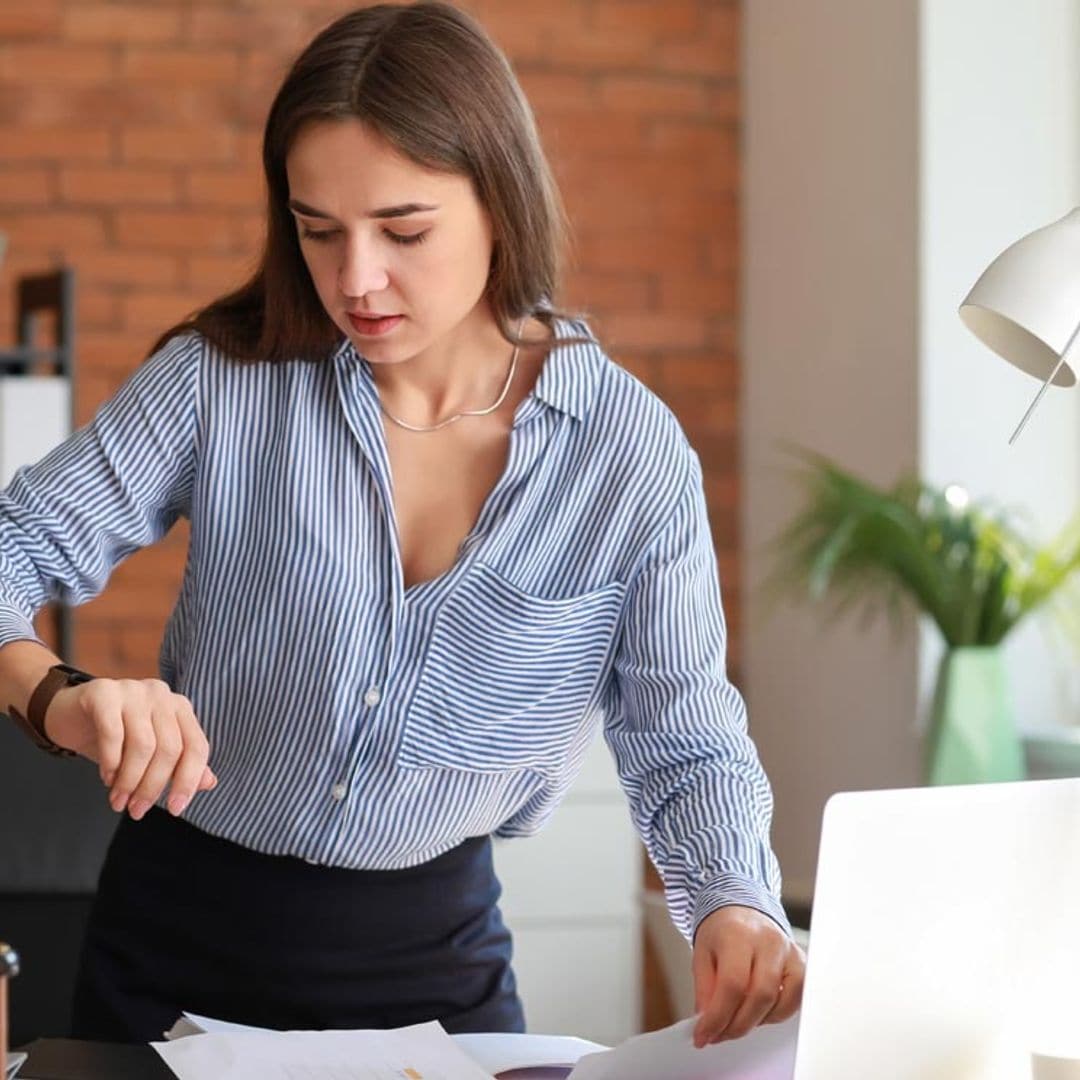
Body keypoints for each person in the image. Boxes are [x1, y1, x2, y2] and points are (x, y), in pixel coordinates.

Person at [0, 1, 804, 1050]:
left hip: (435, 976)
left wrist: (736, 899)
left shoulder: (628, 455)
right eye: (317, 229)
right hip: (174, 949)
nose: (354, 280)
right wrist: (59, 697)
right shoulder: (222, 381)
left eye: (403, 229)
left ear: (501, 204)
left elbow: (685, 738)